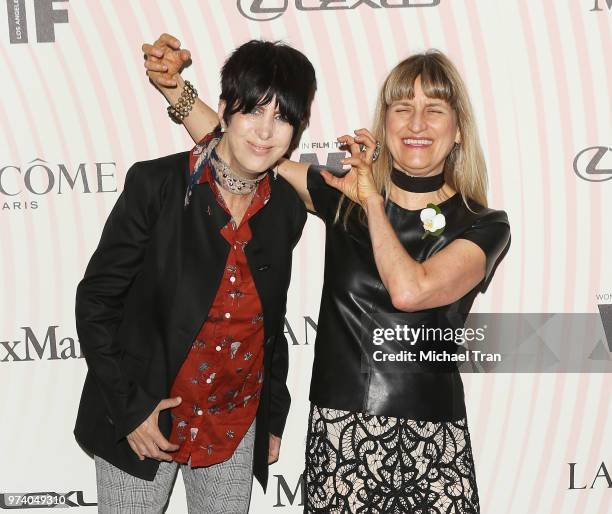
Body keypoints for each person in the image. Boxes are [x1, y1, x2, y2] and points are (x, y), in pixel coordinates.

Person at [143, 35, 510, 513]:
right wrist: (175, 90)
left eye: (434, 109)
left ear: (458, 129)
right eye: (402, 108)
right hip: (342, 438)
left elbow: (410, 289)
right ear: (386, 123)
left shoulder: (483, 224)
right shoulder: (343, 198)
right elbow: (248, 144)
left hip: (432, 443)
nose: (417, 123)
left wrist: (372, 200)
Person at [74, 39, 316, 513]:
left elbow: (269, 321)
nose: (265, 132)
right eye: (253, 112)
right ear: (225, 109)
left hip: (233, 424)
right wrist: (130, 410)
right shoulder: (157, 186)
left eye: (283, 118)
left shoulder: (286, 208)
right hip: (145, 417)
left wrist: (272, 416)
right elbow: (97, 302)